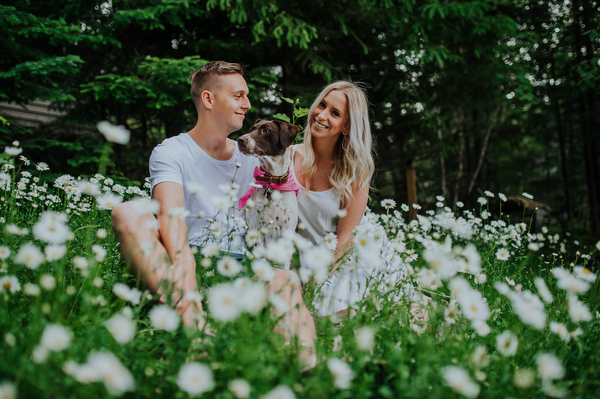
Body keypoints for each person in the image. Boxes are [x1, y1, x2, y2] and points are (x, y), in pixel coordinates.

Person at [111, 61, 316, 367]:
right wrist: (185, 265)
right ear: (208, 100)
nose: (246, 104)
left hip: (240, 269)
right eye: (238, 96)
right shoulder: (172, 151)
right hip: (181, 262)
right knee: (127, 212)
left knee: (286, 278)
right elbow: (170, 214)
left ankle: (308, 376)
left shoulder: (256, 159)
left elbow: (318, 163)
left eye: (246, 96)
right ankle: (196, 327)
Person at [290, 81, 423, 316]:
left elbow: (346, 238)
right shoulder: (289, 158)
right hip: (314, 259)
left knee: (380, 325)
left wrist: (314, 285)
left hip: (354, 257)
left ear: (347, 126)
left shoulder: (354, 169)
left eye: (334, 113)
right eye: (321, 105)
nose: (321, 115)